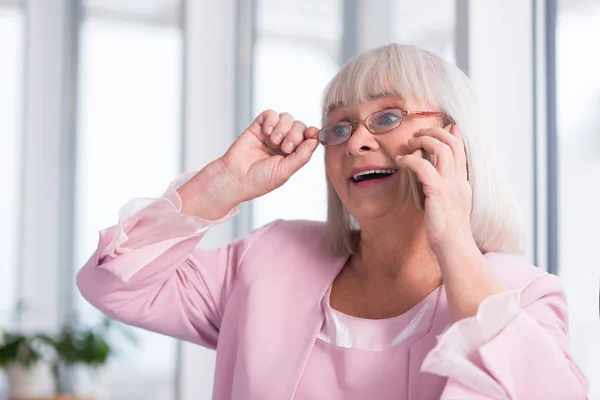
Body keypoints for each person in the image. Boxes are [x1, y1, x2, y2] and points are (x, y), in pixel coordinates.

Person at [76, 44, 589, 399]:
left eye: (388, 117)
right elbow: (113, 282)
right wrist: (223, 183)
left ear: (453, 139)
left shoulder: (521, 295)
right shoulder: (268, 260)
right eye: (339, 126)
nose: (357, 141)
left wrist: (453, 239)